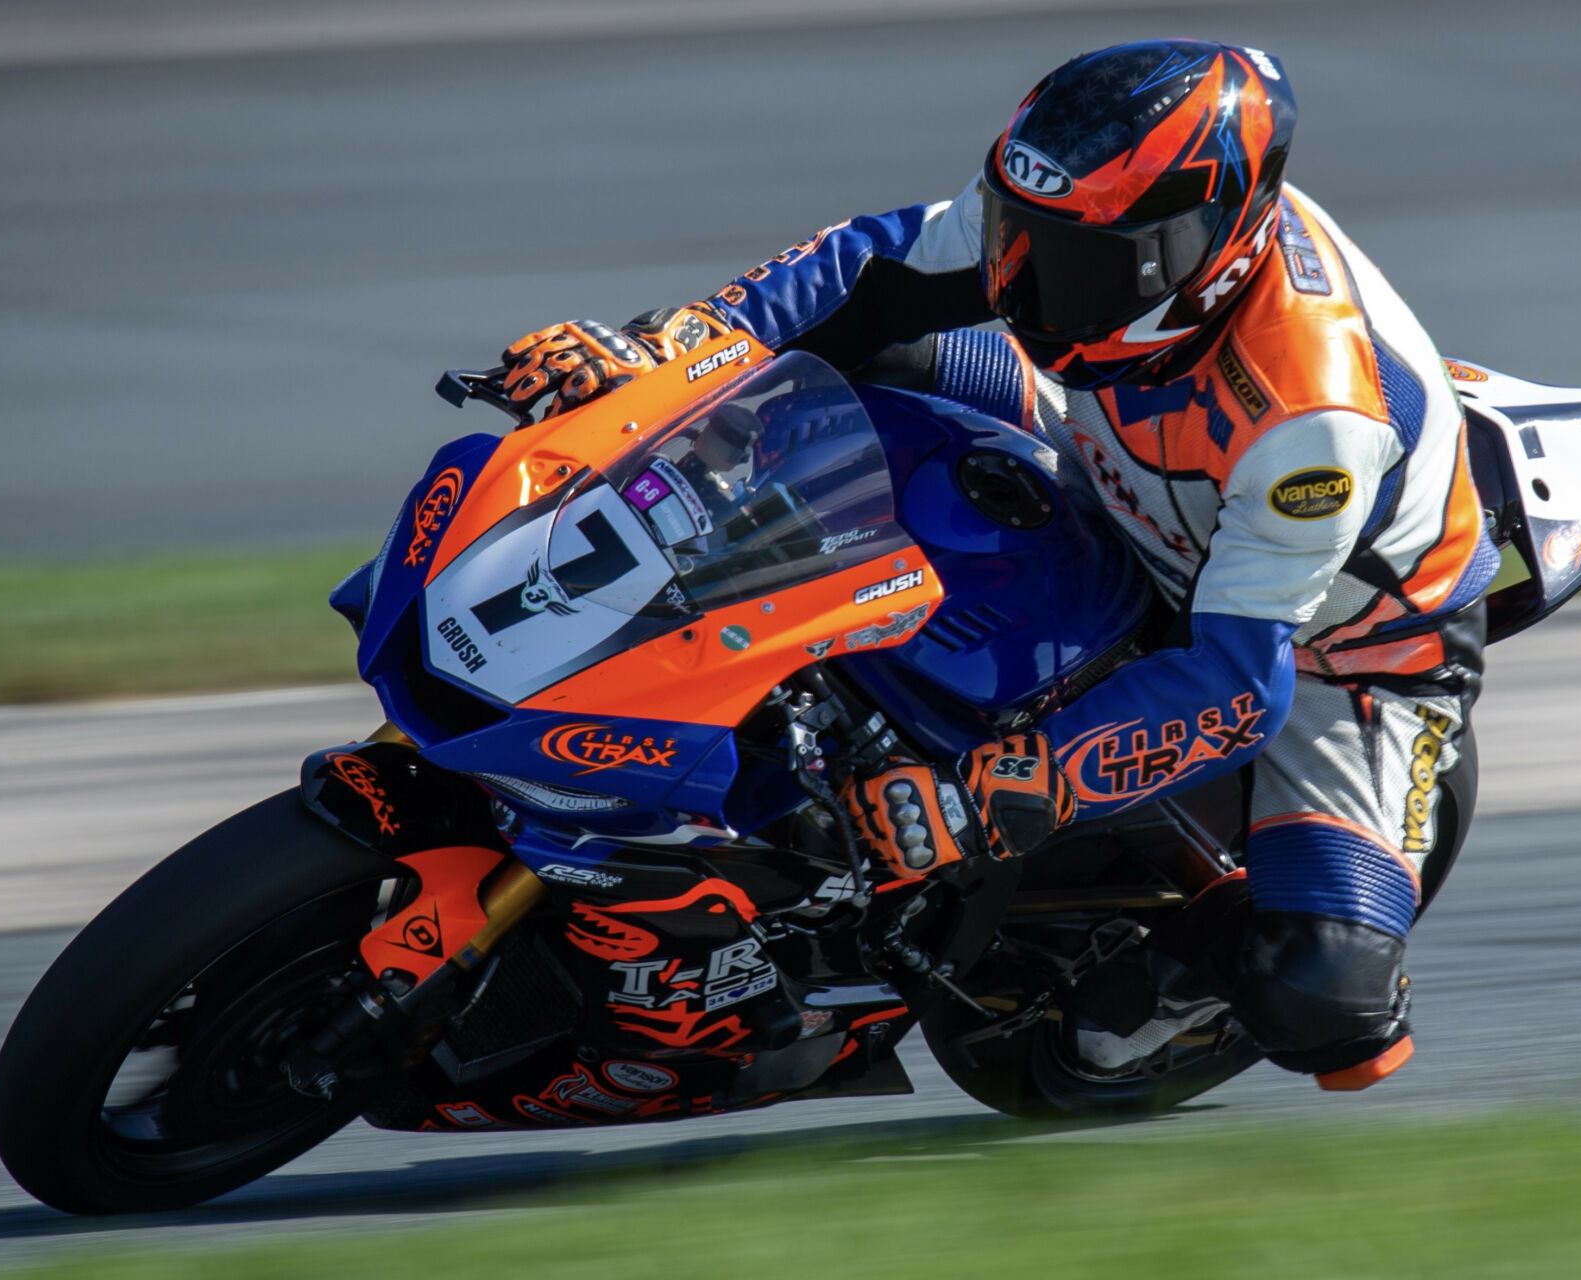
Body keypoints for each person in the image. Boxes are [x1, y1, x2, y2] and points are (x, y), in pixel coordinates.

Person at [495, 39, 1496, 1091]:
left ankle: (1186, 975)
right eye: (1021, 237)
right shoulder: (1091, 225)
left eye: (1075, 266)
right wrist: (669, 351)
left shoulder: (1312, 426)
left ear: (1209, 252)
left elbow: (1239, 684)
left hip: (1338, 648)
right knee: (861, 349)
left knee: (1325, 1002)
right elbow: (869, 267)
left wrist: (990, 793)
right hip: (1117, 471)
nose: (1023, 282)